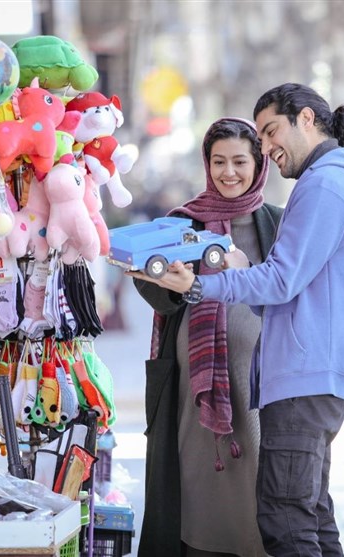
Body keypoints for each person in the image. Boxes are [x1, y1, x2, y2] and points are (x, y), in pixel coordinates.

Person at [129, 83, 344, 557]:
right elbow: (297, 290)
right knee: (310, 514)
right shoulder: (330, 183)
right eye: (219, 161)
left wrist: (199, 286)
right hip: (297, 375)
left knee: (285, 520)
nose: (268, 147)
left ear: (307, 120)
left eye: (270, 133)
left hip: (303, 376)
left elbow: (281, 281)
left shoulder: (325, 185)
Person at [133, 117, 283, 557]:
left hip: (261, 381)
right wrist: (171, 281)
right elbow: (153, 290)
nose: (229, 172)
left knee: (259, 486)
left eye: (240, 161)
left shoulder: (277, 223)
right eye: (219, 161)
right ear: (207, 163)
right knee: (197, 488)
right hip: (195, 384)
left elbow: (292, 289)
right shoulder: (182, 222)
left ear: (258, 164)